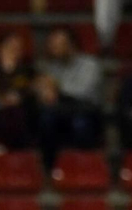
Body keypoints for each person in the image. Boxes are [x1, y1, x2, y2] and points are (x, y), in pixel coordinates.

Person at [35, 28, 104, 168]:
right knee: (46, 119)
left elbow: (83, 93)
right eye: (52, 46)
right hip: (61, 111)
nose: (53, 49)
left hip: (86, 111)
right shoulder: (52, 67)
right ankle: (50, 168)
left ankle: (82, 166)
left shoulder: (90, 65)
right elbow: (48, 95)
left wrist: (56, 87)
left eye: (57, 45)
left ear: (71, 45)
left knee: (80, 124)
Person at [0, 33, 37, 149]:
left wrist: (18, 98)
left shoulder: (28, 71)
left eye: (17, 48)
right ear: (0, 49)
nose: (14, 51)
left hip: (21, 112)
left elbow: (31, 91)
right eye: (10, 47)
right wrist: (3, 99)